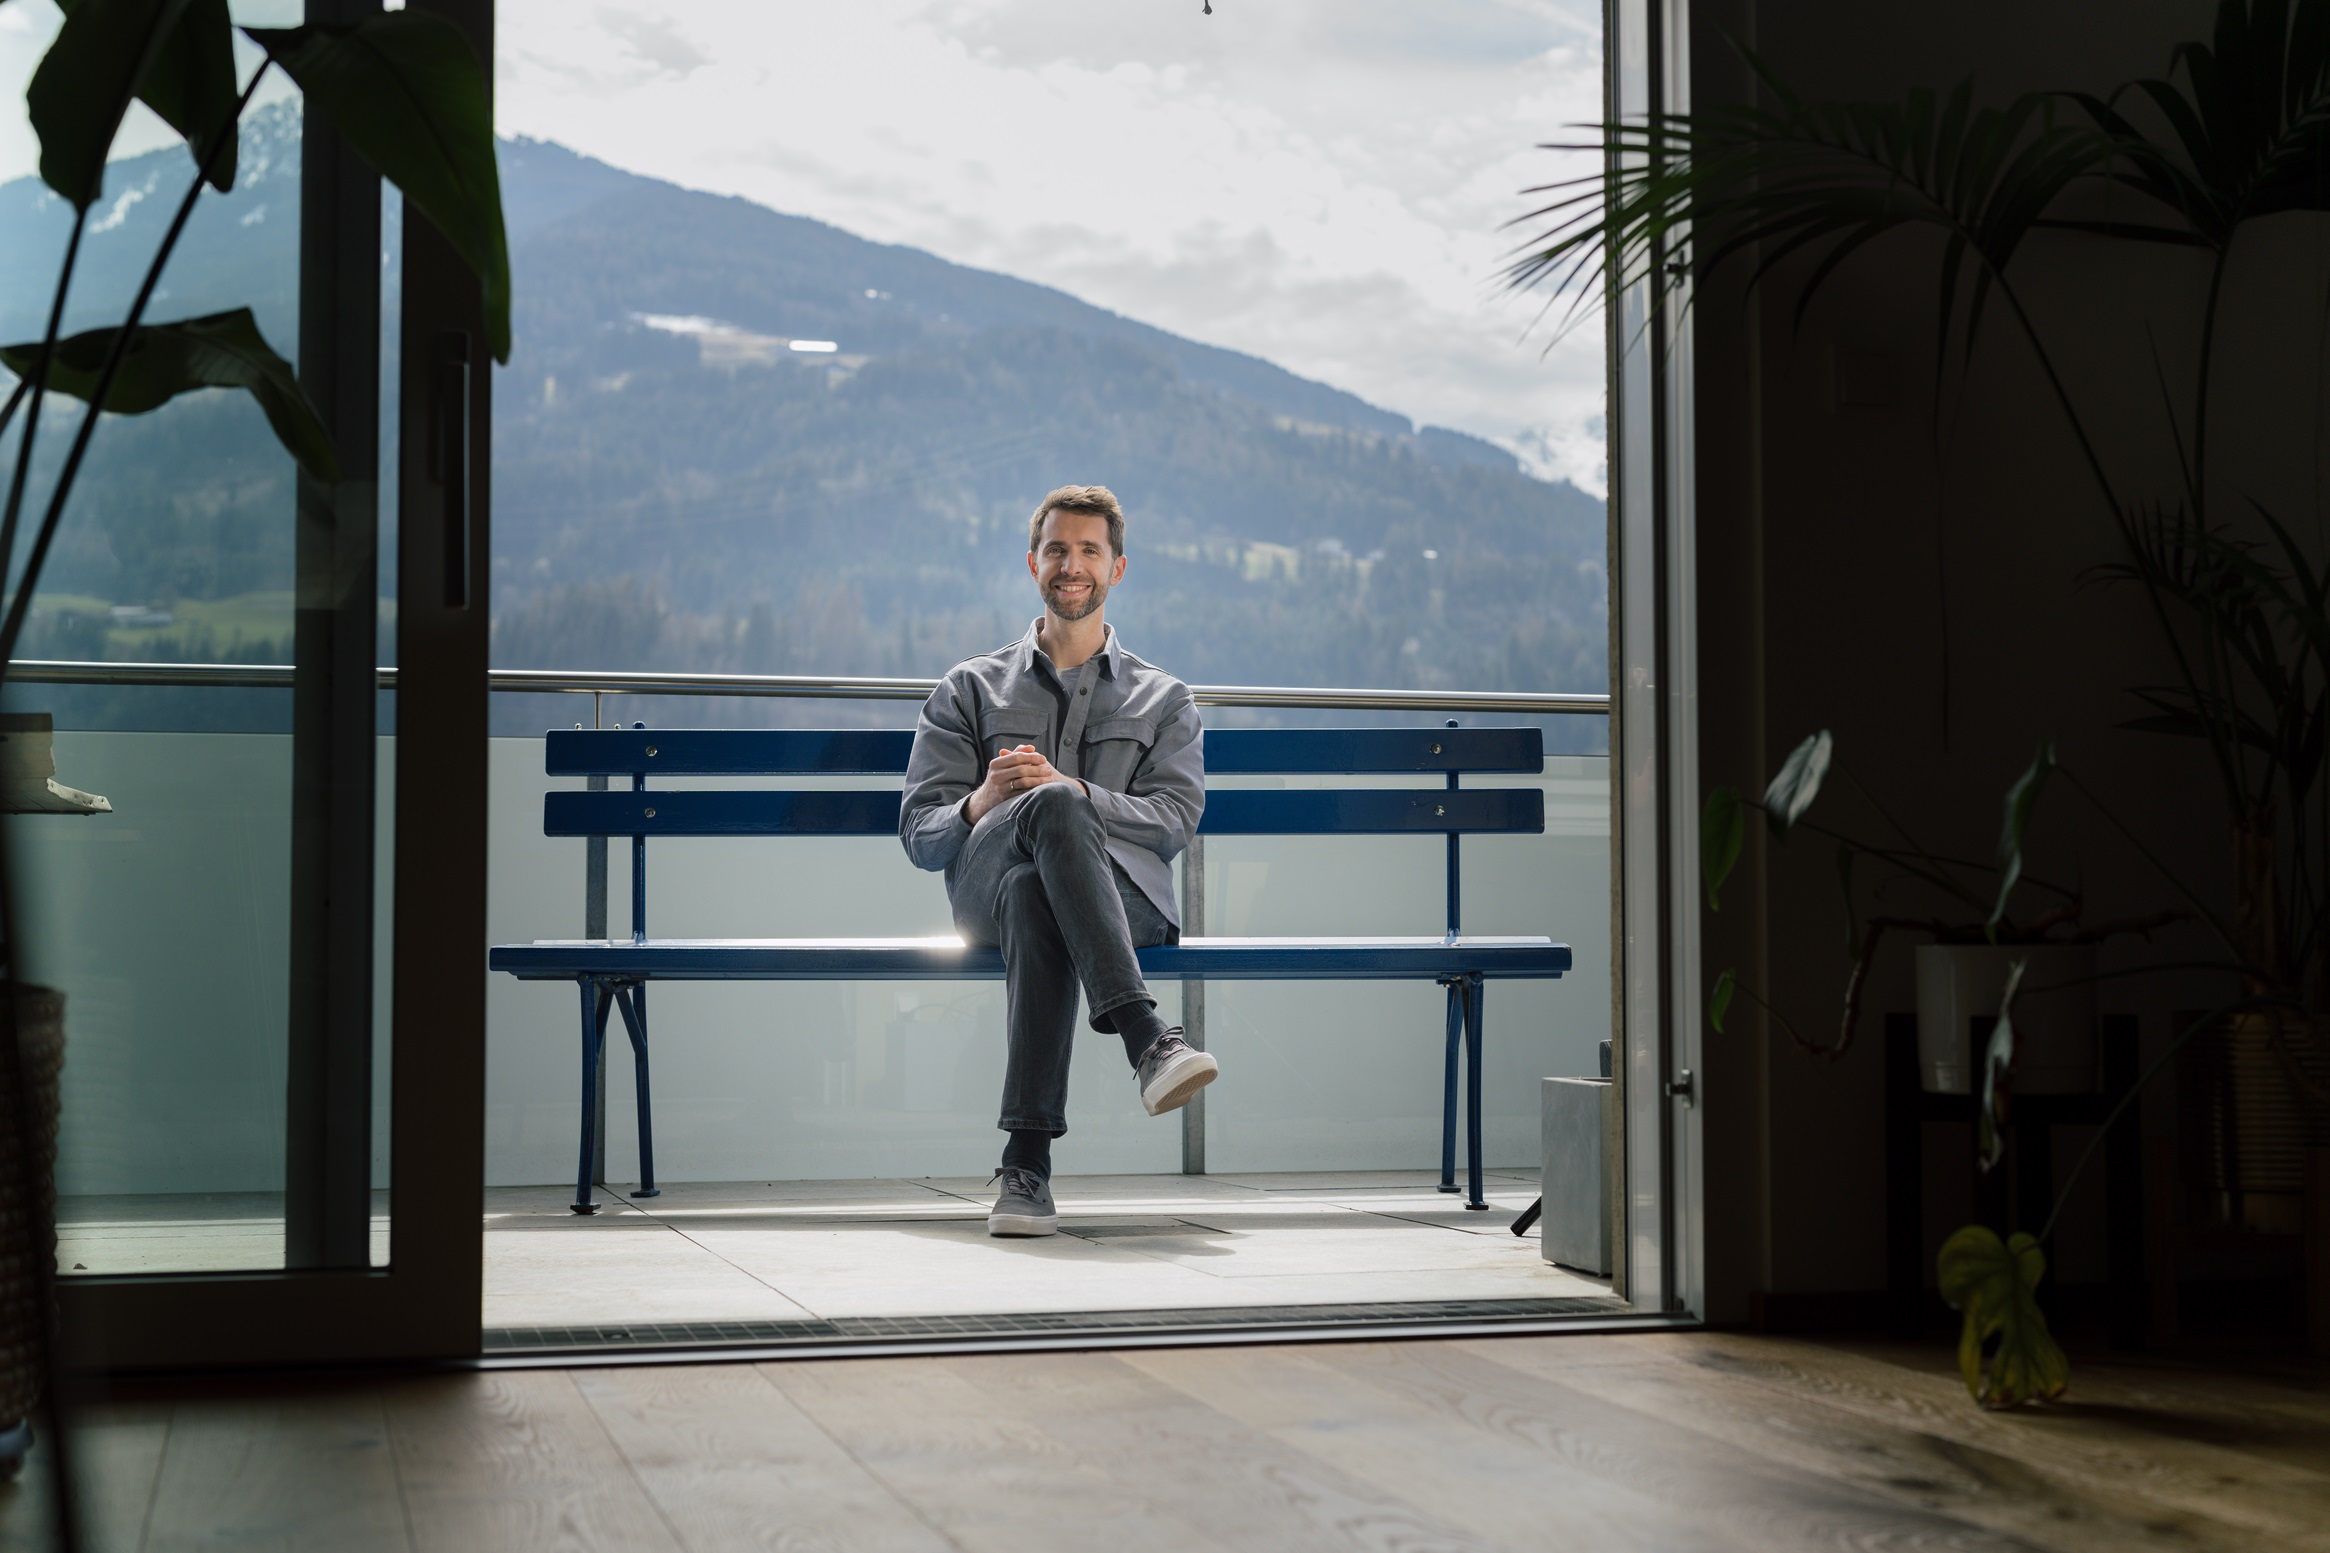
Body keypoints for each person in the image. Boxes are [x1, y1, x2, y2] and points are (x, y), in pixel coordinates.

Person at [900, 484, 1217, 1237]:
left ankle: (1026, 1164)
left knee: (1040, 882)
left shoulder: (1165, 698)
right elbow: (921, 834)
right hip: (982, 899)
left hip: (1124, 903)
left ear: (1118, 567)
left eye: (1089, 551)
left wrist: (1076, 792)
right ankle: (1147, 1038)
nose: (1071, 565)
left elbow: (1175, 822)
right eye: (1057, 550)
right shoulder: (968, 688)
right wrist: (981, 801)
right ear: (1033, 563)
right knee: (1043, 822)